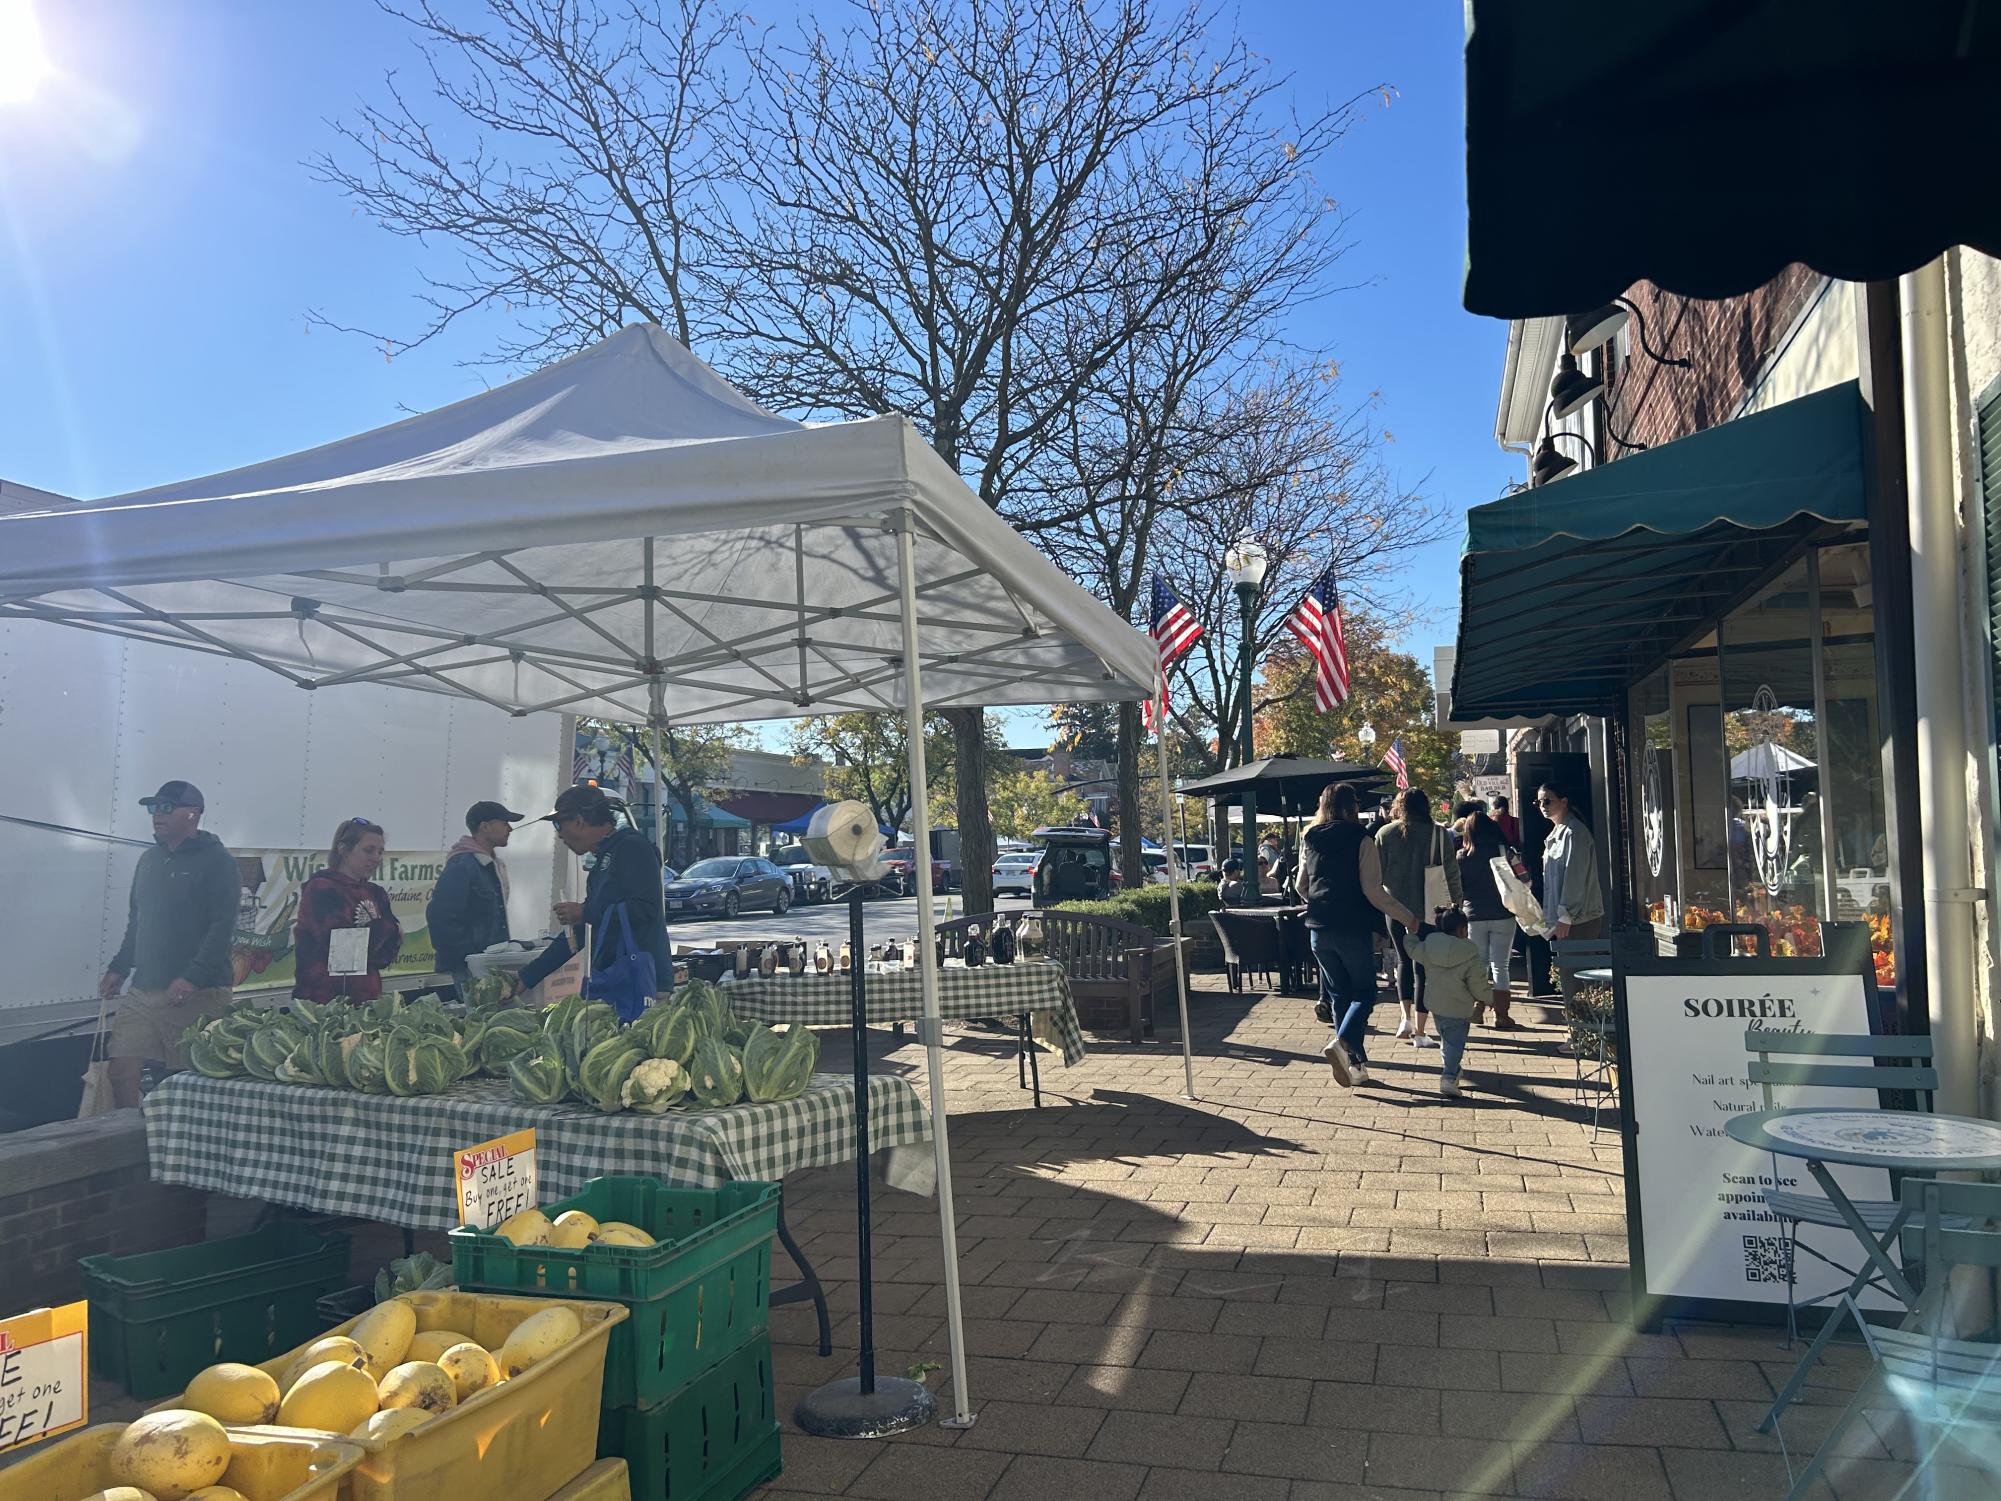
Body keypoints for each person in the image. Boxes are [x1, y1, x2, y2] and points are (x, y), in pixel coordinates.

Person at [99, 780, 241, 1108]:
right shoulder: (149, 861)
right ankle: (130, 1147)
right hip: (146, 986)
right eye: (153, 808)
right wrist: (120, 967)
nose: (156, 815)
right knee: (120, 1070)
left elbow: (222, 928)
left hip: (199, 990)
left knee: (184, 1082)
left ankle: (178, 1144)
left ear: (193, 814)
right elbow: (138, 921)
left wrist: (192, 976)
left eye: (166, 808)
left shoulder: (218, 861)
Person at [1296, 781, 1420, 1087]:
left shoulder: (1309, 837)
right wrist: (1408, 918)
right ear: (1353, 807)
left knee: (1339, 995)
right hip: (1352, 927)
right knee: (1365, 993)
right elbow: (1373, 891)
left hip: (1318, 927)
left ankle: (1356, 1065)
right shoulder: (1361, 839)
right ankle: (1342, 1044)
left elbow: (1301, 884)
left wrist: (1317, 901)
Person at [518, 784, 671, 996]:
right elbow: (581, 932)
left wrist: (584, 912)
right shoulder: (602, 863)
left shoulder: (632, 847)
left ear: (579, 821)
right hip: (614, 979)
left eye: (559, 825)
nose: (560, 835)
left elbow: (645, 909)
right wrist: (527, 976)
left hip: (642, 981)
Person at [1375, 787, 1462, 1048]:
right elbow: (1451, 872)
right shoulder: (1438, 833)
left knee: (1403, 960)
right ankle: (1421, 1030)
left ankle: (1405, 1018)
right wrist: (1456, 904)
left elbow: (1377, 875)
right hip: (1431, 911)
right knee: (1423, 968)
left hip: (1396, 909)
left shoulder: (1385, 834)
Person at [294, 818, 403, 1004]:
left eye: (380, 852)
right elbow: (343, 952)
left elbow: (386, 955)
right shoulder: (322, 889)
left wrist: (375, 936)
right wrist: (387, 929)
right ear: (344, 850)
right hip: (324, 1001)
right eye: (368, 850)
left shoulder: (377, 893)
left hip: (368, 996)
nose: (376, 858)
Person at [428, 800, 523, 991]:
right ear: (485, 827)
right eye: (504, 823)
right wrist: (469, 958)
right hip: (473, 967)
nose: (510, 829)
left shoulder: (489, 865)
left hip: (488, 963)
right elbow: (440, 916)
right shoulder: (463, 865)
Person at [1401, 908, 1485, 1098]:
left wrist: (1411, 935)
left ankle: (1453, 1070)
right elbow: (1477, 981)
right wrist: (1488, 998)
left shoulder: (1430, 946)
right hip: (1460, 1006)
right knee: (1454, 1043)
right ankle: (1448, 1076)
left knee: (1447, 1039)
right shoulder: (1470, 952)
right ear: (1464, 930)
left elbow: (1413, 950)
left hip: (1436, 1004)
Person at [1540, 783, 1605, 999]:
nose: (1542, 805)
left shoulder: (1574, 833)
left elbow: (1575, 875)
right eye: (1539, 801)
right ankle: (1576, 1025)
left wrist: (1565, 914)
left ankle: (1582, 1027)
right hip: (1565, 918)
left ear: (1564, 801)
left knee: (1577, 977)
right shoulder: (1558, 832)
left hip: (1578, 918)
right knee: (1569, 976)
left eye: (1547, 800)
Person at [1457, 806, 1520, 1027]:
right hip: (1503, 913)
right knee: (1500, 965)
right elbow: (1525, 878)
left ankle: (1477, 1007)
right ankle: (1502, 1015)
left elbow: (1457, 890)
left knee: (1479, 964)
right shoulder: (1505, 852)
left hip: (1473, 915)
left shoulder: (1462, 856)